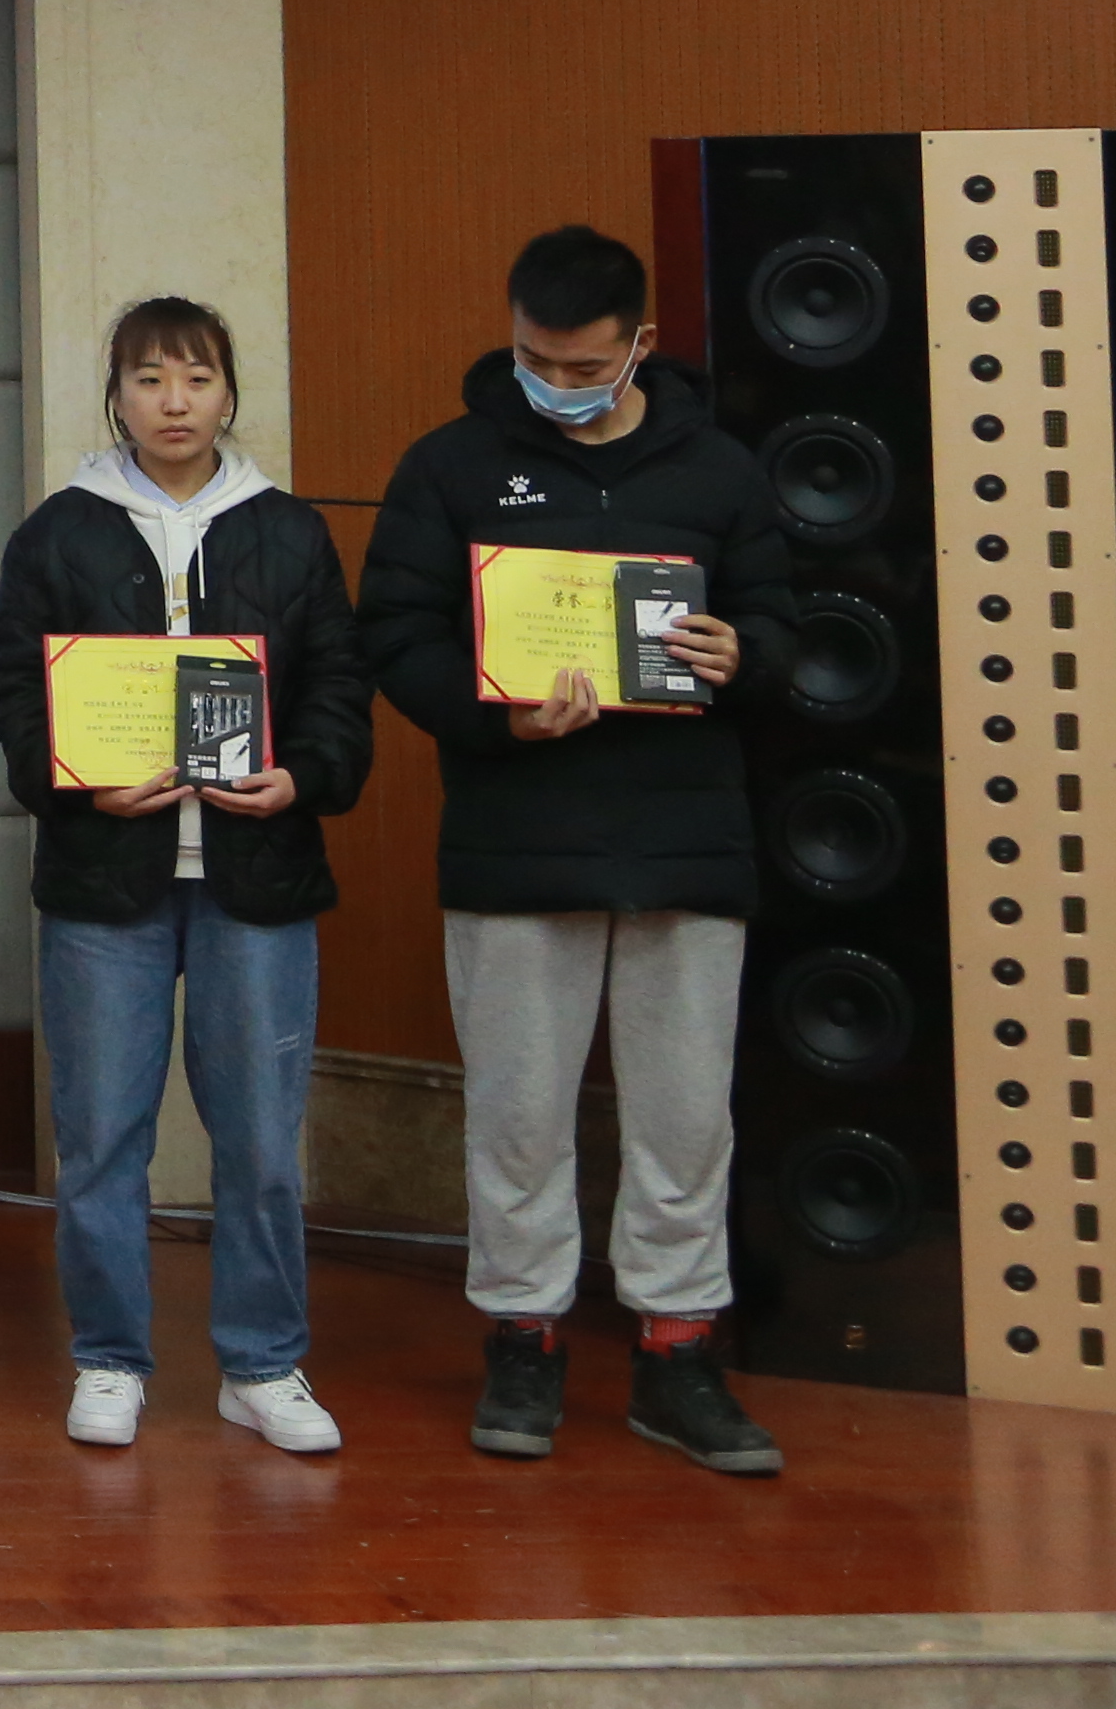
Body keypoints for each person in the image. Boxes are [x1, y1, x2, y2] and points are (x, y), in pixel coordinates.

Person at [352, 224, 799, 1478]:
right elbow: (396, 634)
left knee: (685, 1120)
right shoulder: (449, 465)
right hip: (517, 844)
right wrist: (495, 712)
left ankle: (678, 1352)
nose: (557, 383)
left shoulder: (718, 469)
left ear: (641, 345)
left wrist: (743, 653)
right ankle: (524, 1339)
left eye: (586, 366)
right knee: (517, 1118)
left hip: (687, 845)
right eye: (535, 360)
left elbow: (781, 620)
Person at [0, 297, 372, 1456]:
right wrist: (75, 784)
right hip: (108, 879)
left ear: (229, 393)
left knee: (261, 1140)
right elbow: (15, 690)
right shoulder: (59, 532)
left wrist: (303, 778)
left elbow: (338, 684)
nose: (174, 402)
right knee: (103, 1135)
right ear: (115, 394)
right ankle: (109, 1359)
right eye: (149, 379)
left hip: (258, 874)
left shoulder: (287, 530)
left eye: (197, 379)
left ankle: (263, 1363)